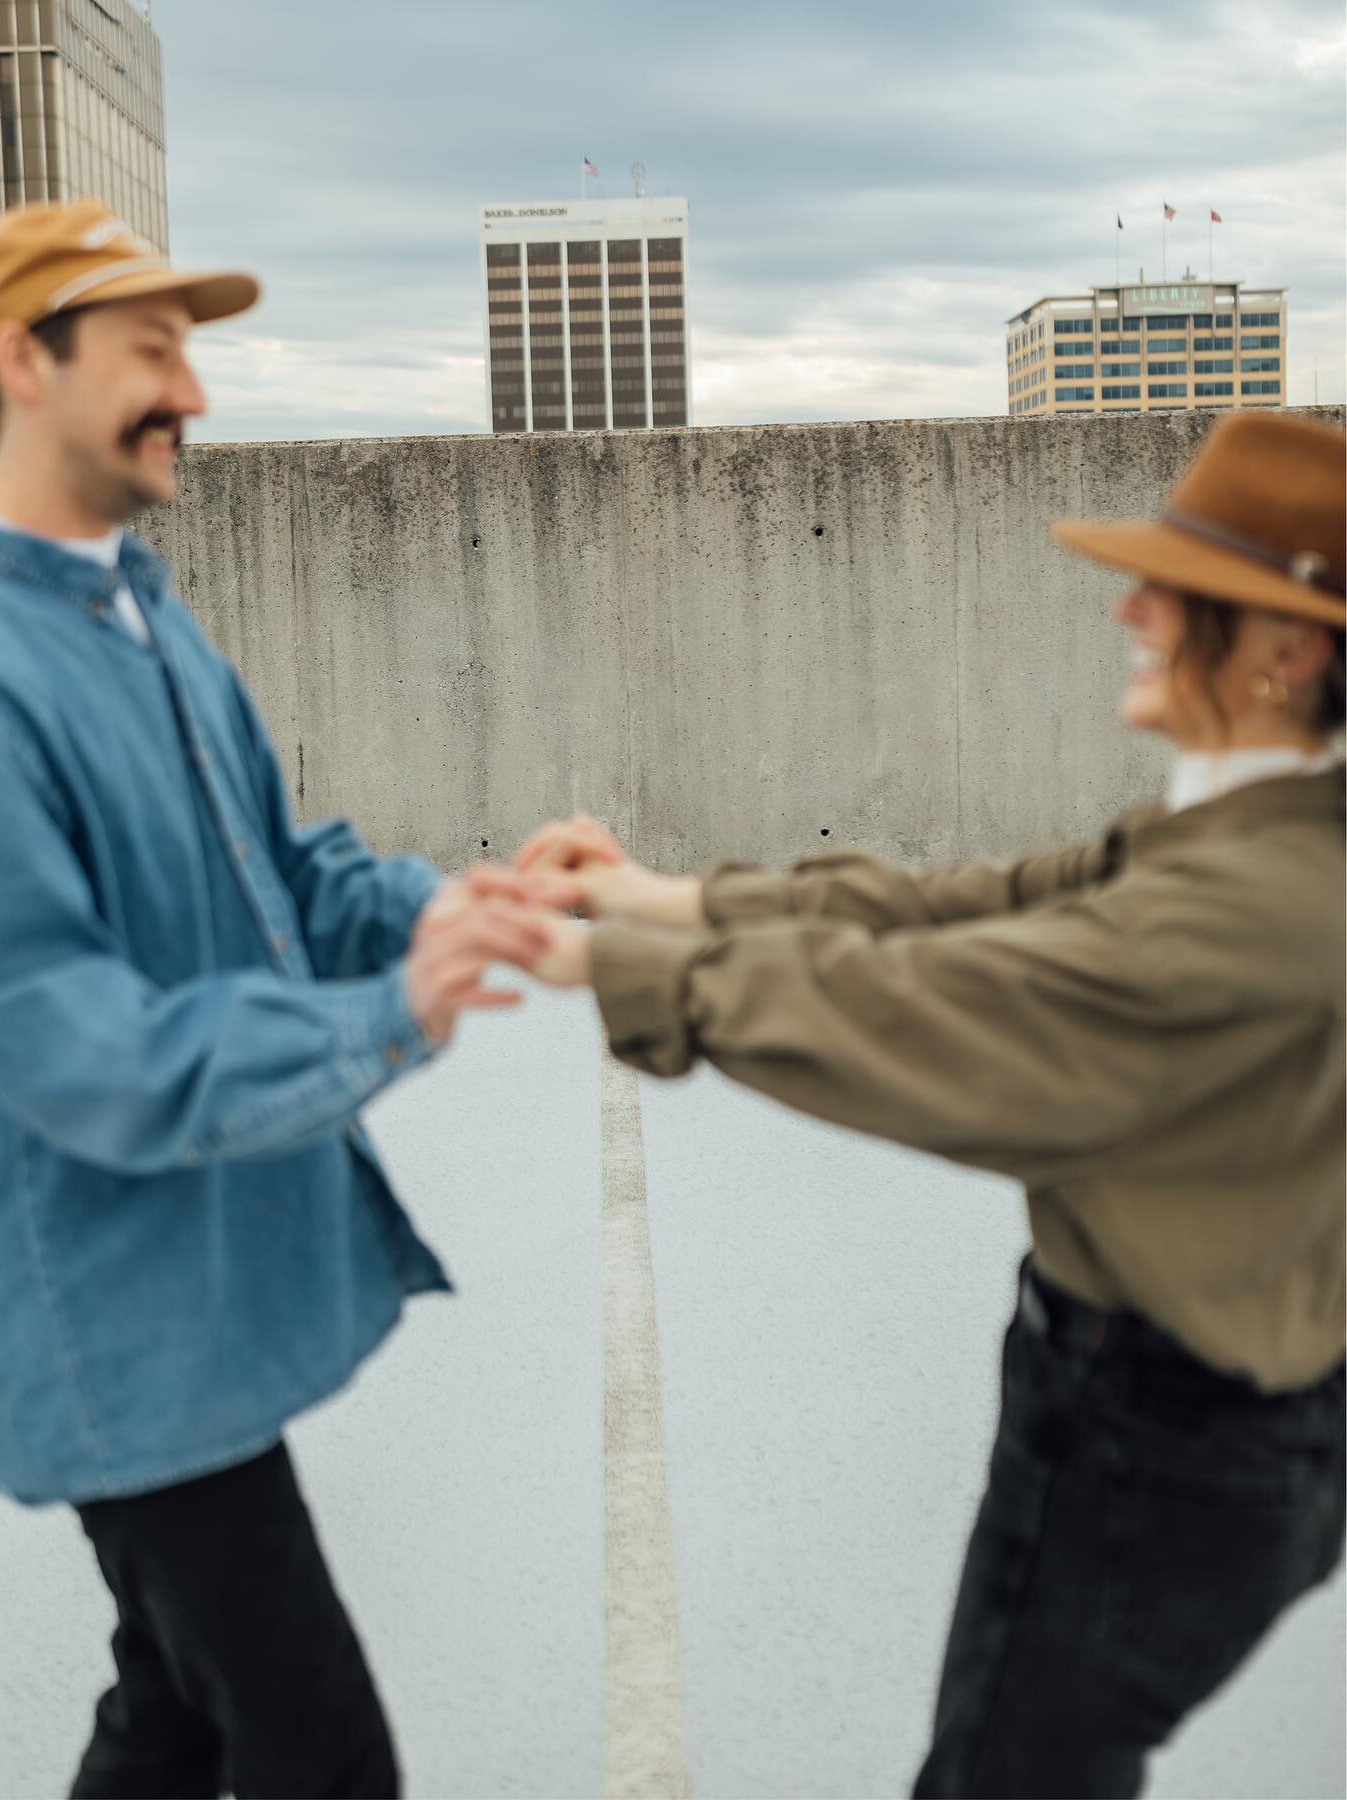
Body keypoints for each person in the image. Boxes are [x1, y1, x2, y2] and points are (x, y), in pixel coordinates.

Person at [512, 411, 1346, 1799]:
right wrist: (668, 897)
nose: (1128, 608)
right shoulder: (1255, 834)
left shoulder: (1253, 905)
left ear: (1283, 650)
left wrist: (605, 960)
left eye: (1174, 589)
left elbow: (938, 1012)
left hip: (1159, 1443)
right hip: (1191, 1425)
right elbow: (984, 906)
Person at [0, 199, 552, 1800]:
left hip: (172, 1293)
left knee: (174, 1710)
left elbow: (278, 867)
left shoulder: (137, 611)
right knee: (323, 1754)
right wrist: (387, 1014)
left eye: (188, 352)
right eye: (150, 351)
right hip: (106, 1325)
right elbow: (82, 1054)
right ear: (21, 363)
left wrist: (454, 905)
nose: (192, 392)